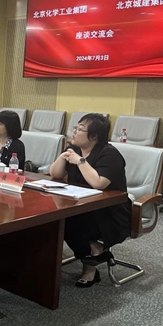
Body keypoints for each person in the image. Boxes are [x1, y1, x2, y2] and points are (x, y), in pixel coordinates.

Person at [48, 113, 131, 287]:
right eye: (75, 127)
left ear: (93, 136)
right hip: (81, 205)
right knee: (57, 221)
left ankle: (90, 265)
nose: (74, 131)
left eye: (80, 129)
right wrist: (62, 157)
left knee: (70, 222)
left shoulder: (110, 154)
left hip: (110, 212)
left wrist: (80, 161)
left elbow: (98, 183)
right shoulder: (75, 148)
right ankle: (91, 252)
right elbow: (55, 174)